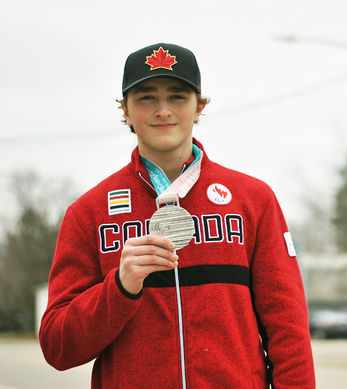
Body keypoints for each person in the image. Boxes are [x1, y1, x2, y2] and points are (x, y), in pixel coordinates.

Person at [39, 43, 315, 389]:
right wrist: (120, 287)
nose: (163, 110)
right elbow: (57, 348)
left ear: (199, 107)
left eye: (178, 96)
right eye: (146, 98)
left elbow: (288, 329)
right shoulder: (88, 213)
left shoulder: (253, 200)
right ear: (125, 110)